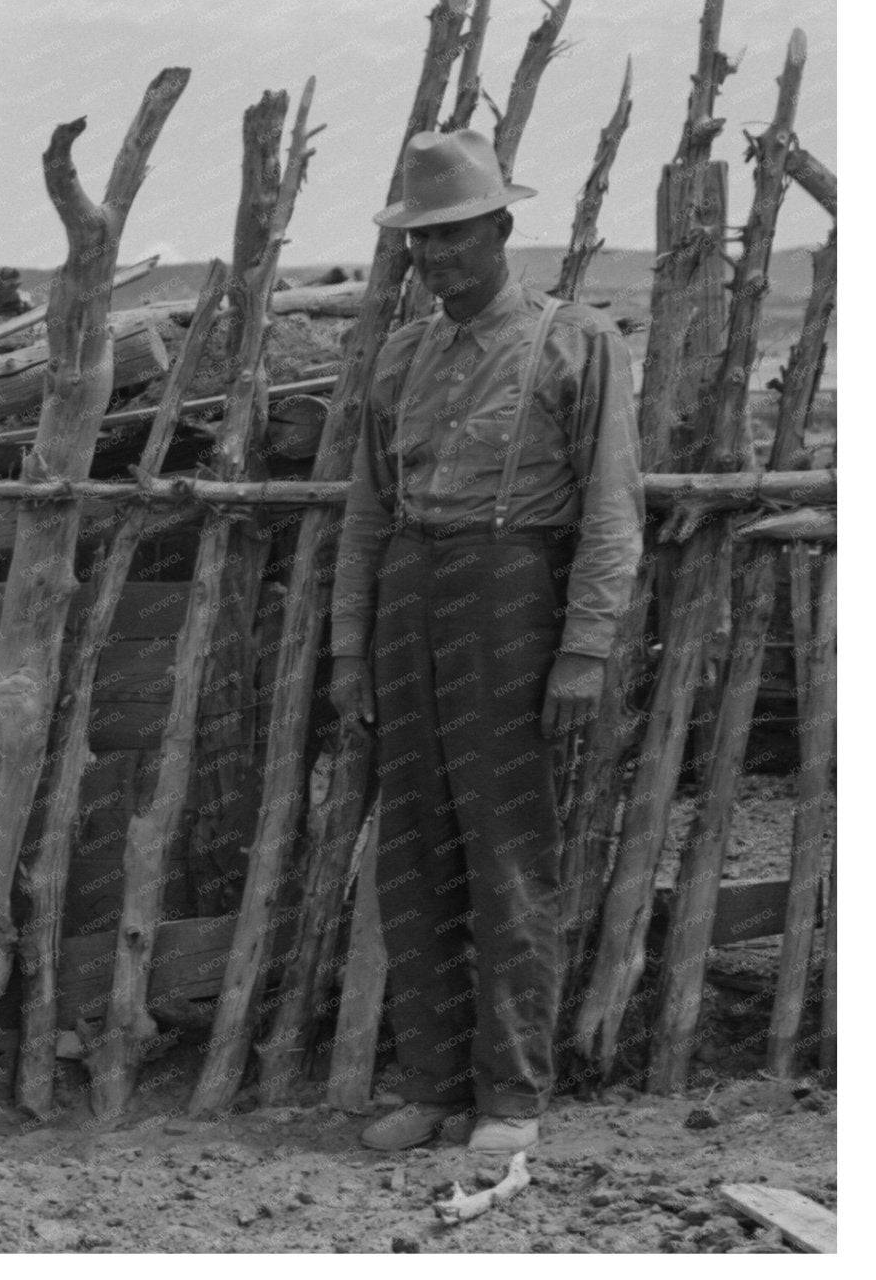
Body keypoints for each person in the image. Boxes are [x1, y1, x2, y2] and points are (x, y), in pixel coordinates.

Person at [329, 129, 643, 1155]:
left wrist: (585, 646)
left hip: (511, 600)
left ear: (502, 228)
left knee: (506, 853)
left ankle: (508, 1097)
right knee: (410, 856)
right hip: (408, 598)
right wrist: (349, 647)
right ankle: (429, 1087)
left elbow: (608, 505)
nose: (438, 259)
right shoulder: (400, 354)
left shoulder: (571, 342)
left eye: (456, 236)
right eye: (420, 243)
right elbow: (367, 516)